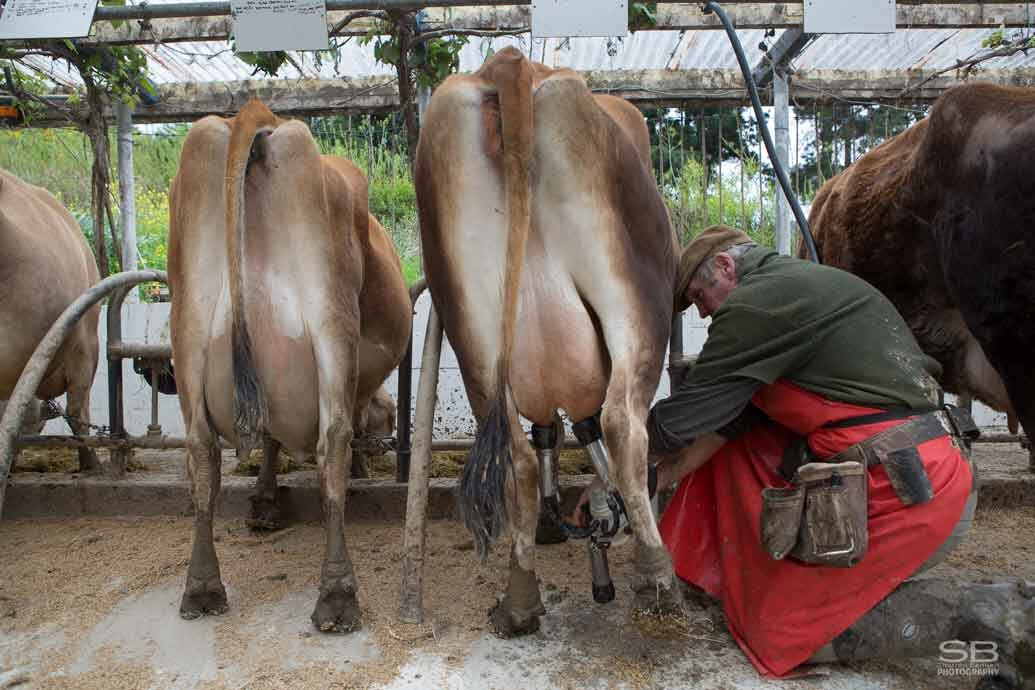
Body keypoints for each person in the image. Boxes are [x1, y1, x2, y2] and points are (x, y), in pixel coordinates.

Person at [584, 226, 1033, 689]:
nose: (701, 310)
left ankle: (1007, 618)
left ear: (726, 266)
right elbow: (727, 425)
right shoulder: (793, 288)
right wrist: (645, 481)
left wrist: (611, 456)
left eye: (700, 294)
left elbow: (680, 423)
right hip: (909, 468)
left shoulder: (754, 306)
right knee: (739, 450)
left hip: (908, 492)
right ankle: (735, 579)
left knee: (786, 629)